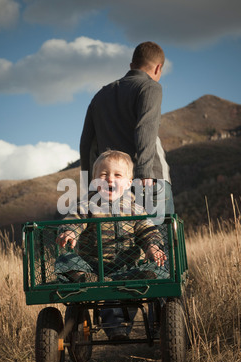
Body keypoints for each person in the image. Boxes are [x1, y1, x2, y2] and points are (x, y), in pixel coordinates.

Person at [55, 150, 168, 340]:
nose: (109, 179)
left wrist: (152, 247)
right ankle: (83, 278)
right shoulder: (87, 205)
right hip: (93, 267)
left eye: (117, 175)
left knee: (158, 271)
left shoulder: (135, 209)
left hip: (126, 268)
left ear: (128, 182)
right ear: (94, 181)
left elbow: (147, 230)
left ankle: (122, 327)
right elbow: (75, 219)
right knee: (64, 260)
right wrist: (70, 231)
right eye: (103, 175)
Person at [79, 40, 174, 214]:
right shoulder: (149, 87)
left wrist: (90, 184)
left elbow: (86, 144)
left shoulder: (100, 95)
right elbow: (145, 128)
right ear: (158, 68)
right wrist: (144, 173)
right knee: (157, 237)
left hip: (111, 187)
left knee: (124, 239)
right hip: (149, 180)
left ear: (132, 65)